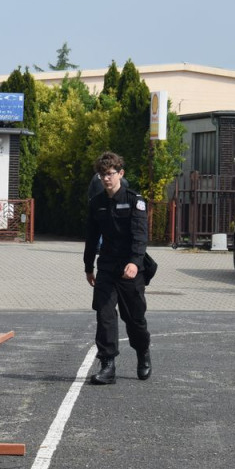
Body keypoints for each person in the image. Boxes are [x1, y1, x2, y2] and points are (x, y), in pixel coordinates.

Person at [83, 152, 152, 384]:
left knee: (134, 319)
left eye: (110, 174)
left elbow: (140, 236)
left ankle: (143, 353)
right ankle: (108, 364)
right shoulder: (97, 203)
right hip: (107, 268)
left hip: (130, 268)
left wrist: (134, 262)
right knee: (104, 315)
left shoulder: (135, 201)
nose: (106, 179)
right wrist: (87, 266)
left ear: (120, 174)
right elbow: (92, 237)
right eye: (102, 175)